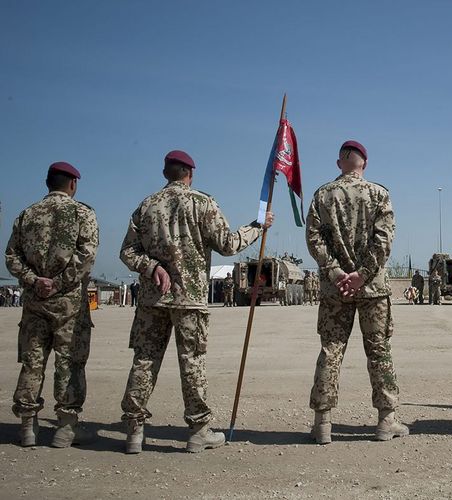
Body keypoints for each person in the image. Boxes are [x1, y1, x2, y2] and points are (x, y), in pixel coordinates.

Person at [118, 150, 273, 454]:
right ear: (190, 173)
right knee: (192, 362)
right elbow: (228, 245)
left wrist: (152, 268)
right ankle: (198, 431)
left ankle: (134, 430)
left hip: (153, 299)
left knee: (145, 360)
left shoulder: (146, 206)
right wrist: (258, 226)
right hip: (189, 299)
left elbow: (127, 252)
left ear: (166, 173)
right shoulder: (202, 203)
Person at [305, 140, 408, 444]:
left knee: (331, 349)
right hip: (372, 288)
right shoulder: (378, 194)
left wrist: (337, 272)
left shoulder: (323, 195)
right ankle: (386, 420)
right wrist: (362, 275)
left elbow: (314, 238)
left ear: (340, 164)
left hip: (336, 289)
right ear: (364, 164)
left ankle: (323, 422)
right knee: (379, 351)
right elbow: (384, 241)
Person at [4, 161, 99, 448]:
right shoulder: (82, 213)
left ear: (48, 183)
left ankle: (28, 426)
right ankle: (66, 427)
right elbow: (86, 256)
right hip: (69, 304)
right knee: (69, 362)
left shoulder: (27, 215)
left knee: (32, 362)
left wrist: (35, 281)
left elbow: (12, 256)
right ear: (73, 184)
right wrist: (58, 283)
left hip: (35, 302)